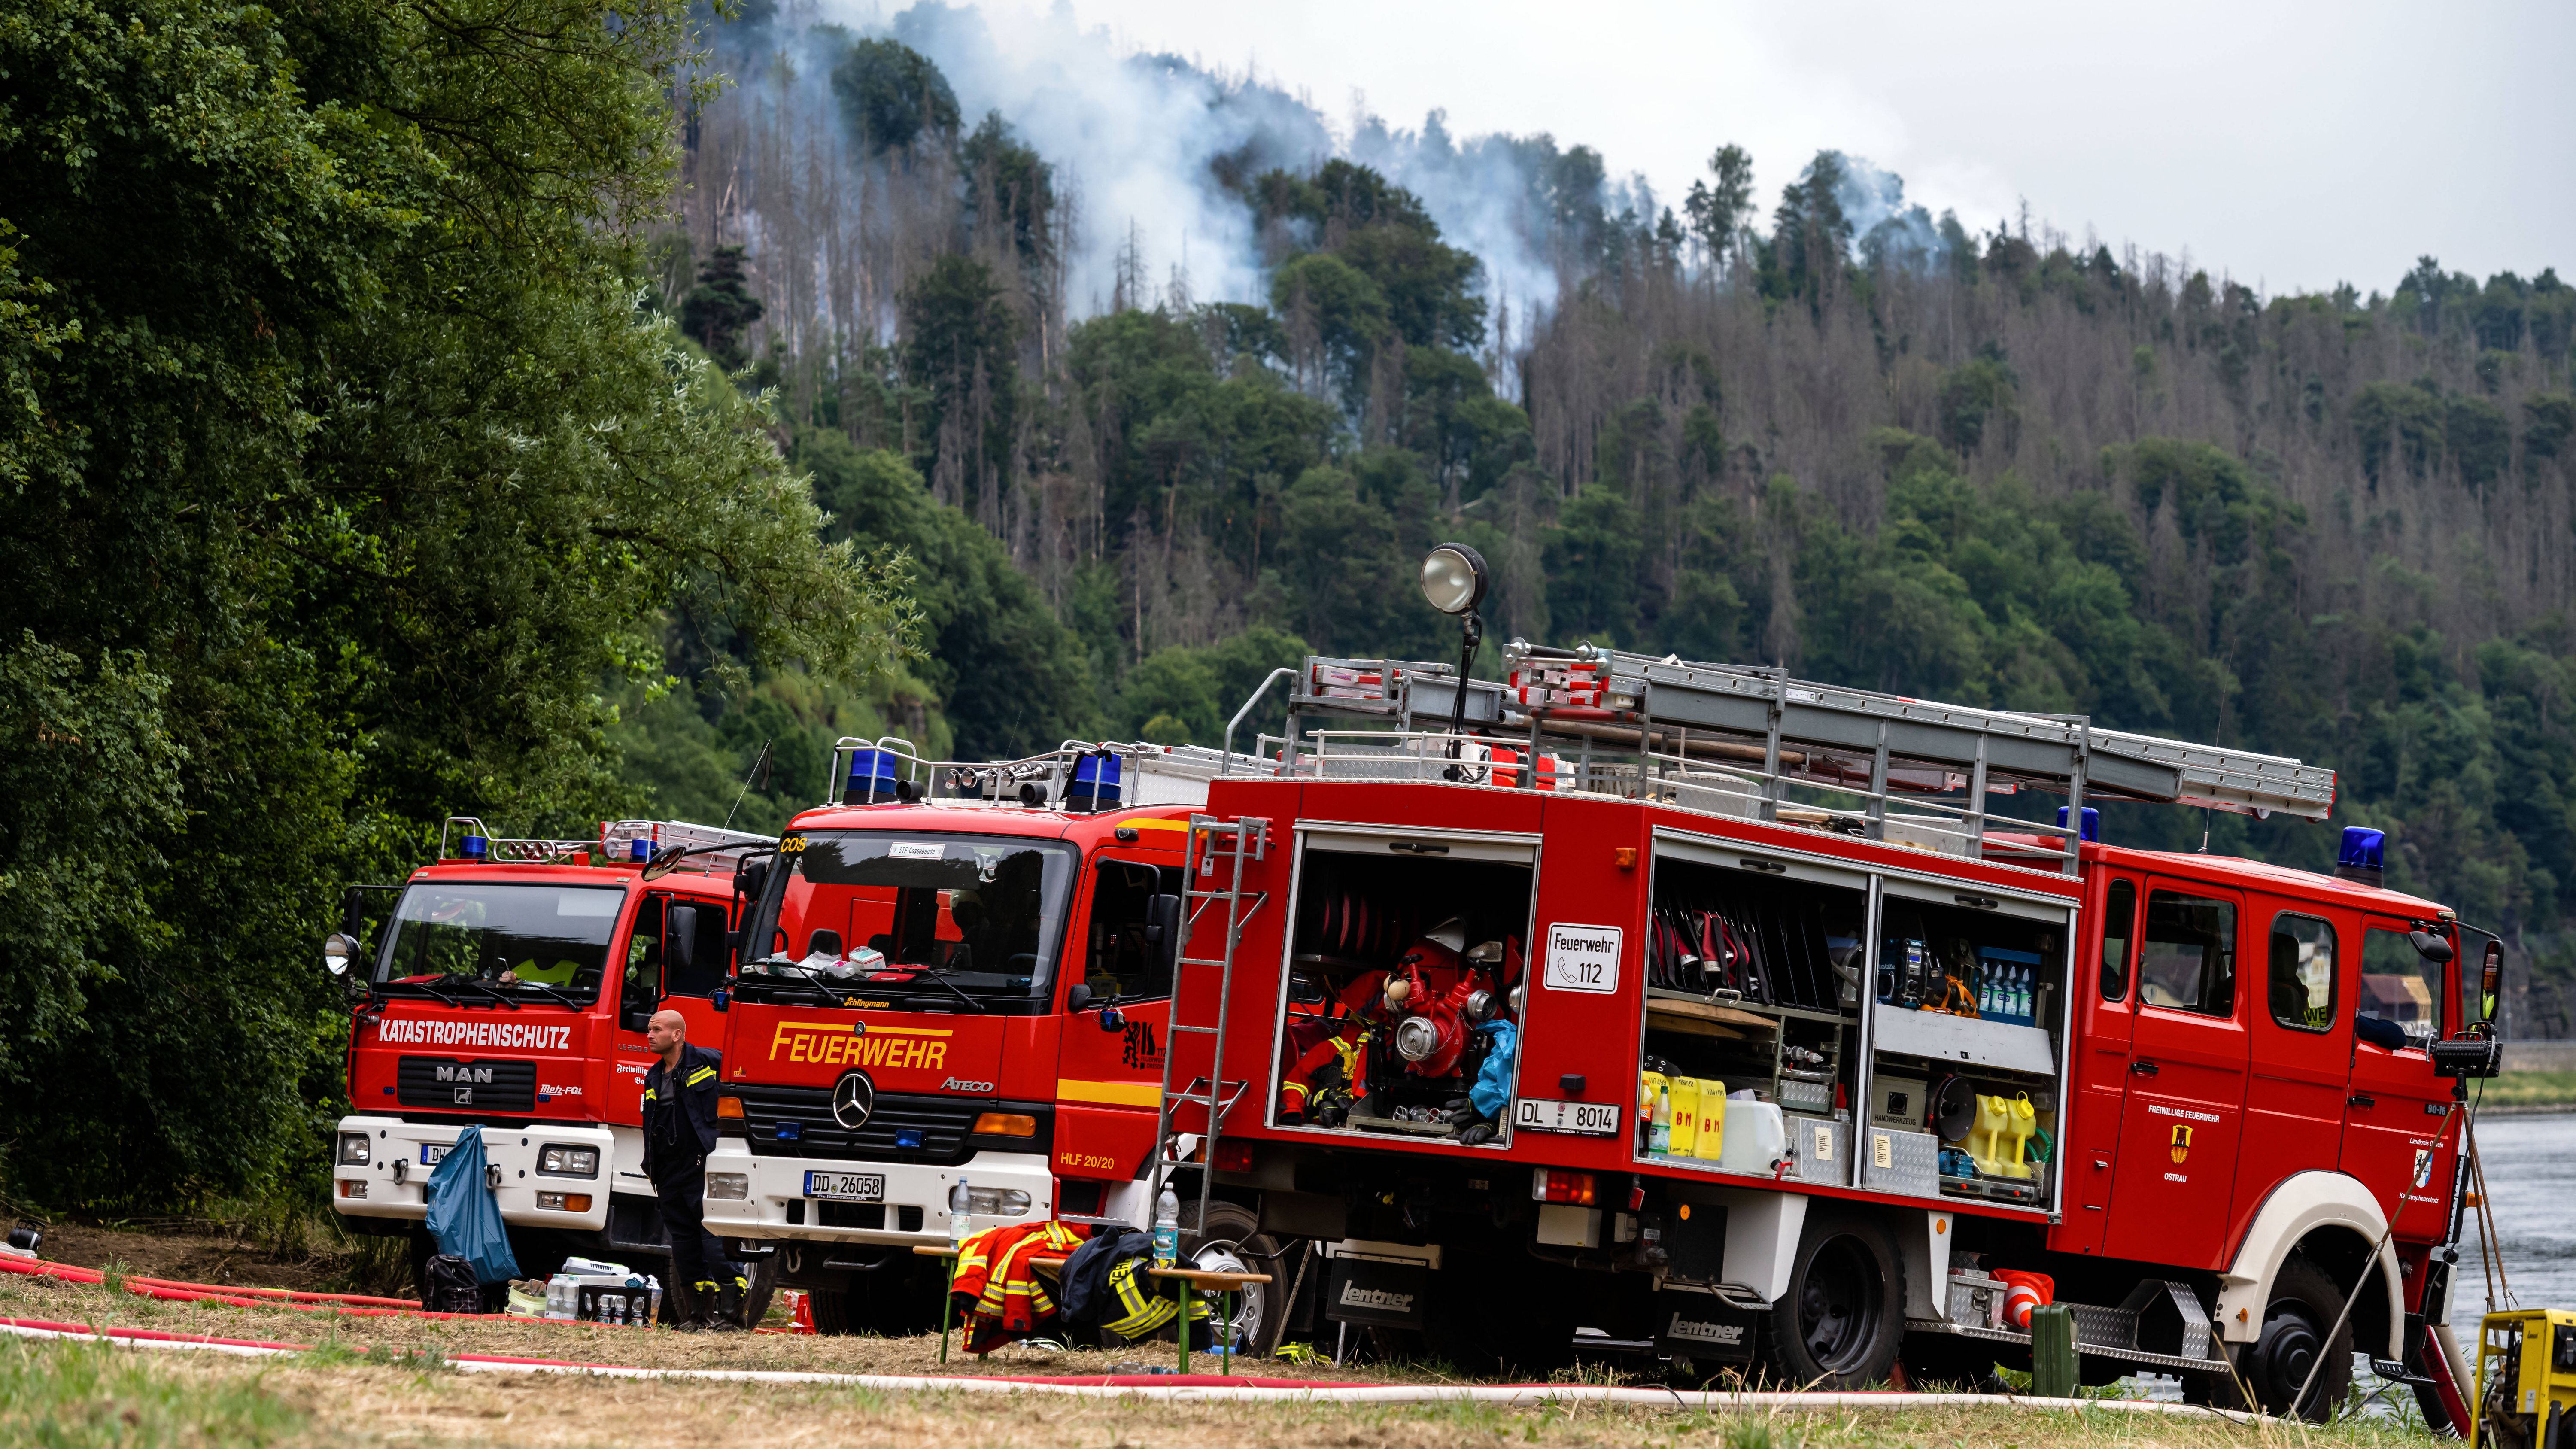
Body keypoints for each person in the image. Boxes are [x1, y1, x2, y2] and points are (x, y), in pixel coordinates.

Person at [641, 1009, 747, 1331]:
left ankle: (733, 1316)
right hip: (669, 1173)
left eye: (656, 1029)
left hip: (703, 1167)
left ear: (677, 1034)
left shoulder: (708, 1060)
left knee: (714, 1241)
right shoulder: (653, 1075)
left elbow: (742, 1078)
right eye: (649, 1029)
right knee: (684, 1247)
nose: (649, 1034)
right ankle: (698, 1316)